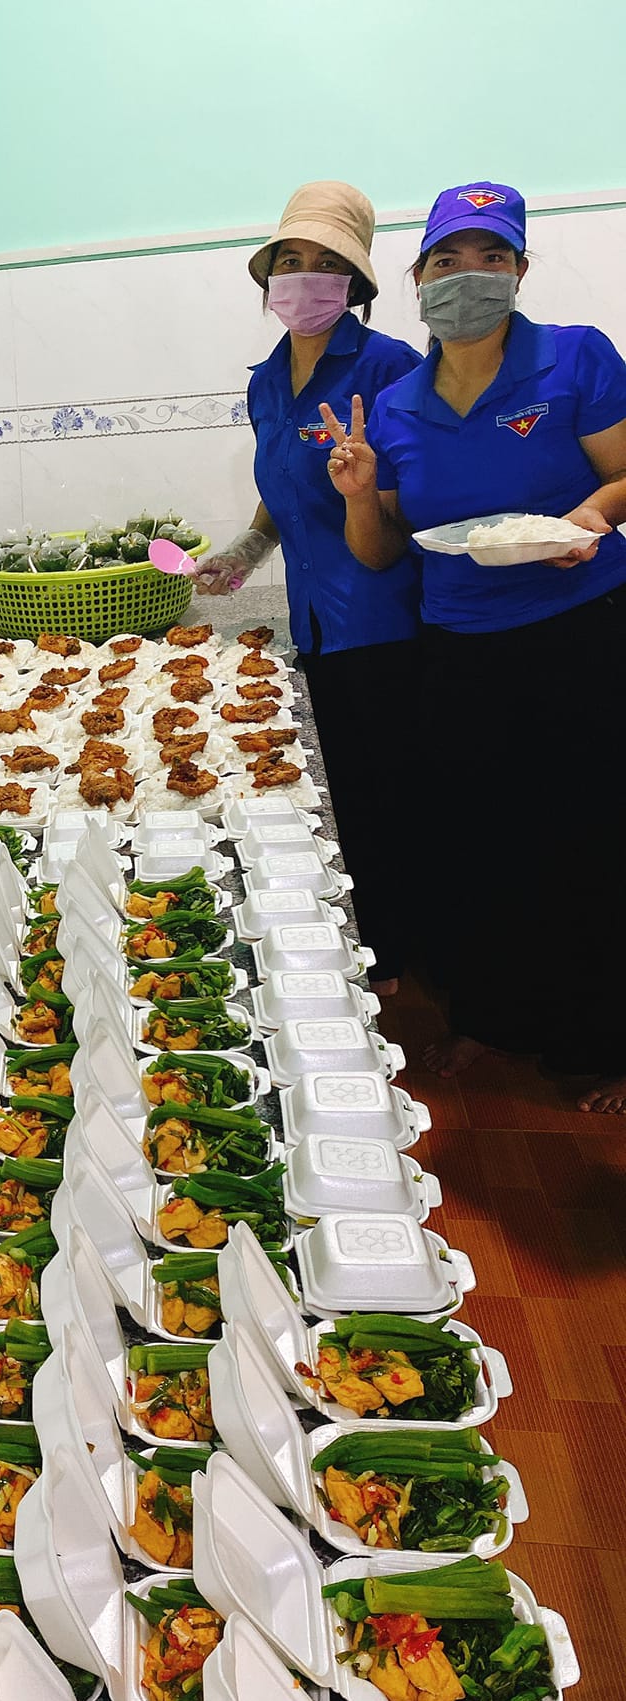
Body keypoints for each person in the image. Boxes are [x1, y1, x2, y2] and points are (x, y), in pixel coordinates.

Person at [321, 181, 626, 1111]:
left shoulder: (574, 357)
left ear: (520, 269)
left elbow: (622, 474)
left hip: (580, 633)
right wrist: (358, 493)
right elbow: (382, 551)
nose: (469, 275)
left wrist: (588, 513)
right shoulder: (397, 406)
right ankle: (492, 1016)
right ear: (417, 279)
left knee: (593, 838)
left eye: (492, 256)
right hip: (459, 649)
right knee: (479, 841)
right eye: (447, 259)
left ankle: (607, 1041)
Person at [197, 182, 423, 994]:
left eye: (326, 263)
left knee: (396, 794)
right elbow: (284, 487)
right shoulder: (264, 380)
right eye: (288, 260)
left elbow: (403, 500)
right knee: (346, 792)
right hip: (314, 622)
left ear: (353, 283)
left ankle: (407, 963)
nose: (303, 276)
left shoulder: (389, 367)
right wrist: (246, 548)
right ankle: (373, 947)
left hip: (386, 619)